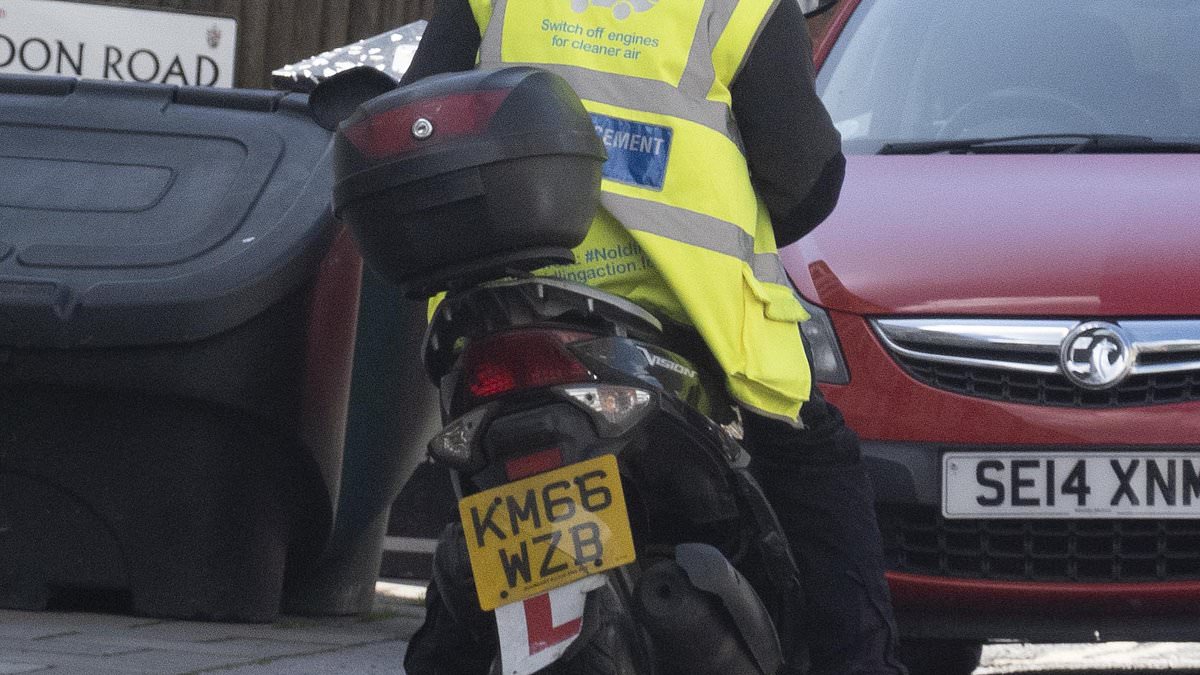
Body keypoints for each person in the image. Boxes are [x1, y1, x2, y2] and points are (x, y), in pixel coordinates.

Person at [400, 1, 907, 673]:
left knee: (478, 515)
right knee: (818, 468)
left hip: (502, 321)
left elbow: (412, 128)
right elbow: (803, 177)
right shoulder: (737, 7)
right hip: (698, 331)